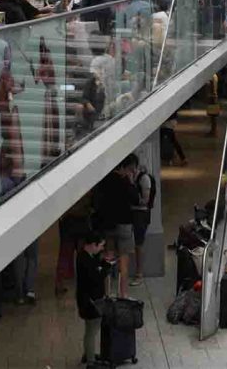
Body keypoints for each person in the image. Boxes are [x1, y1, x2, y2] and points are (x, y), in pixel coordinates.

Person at [91, 153, 140, 298]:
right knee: (123, 263)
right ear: (125, 167)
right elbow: (136, 200)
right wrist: (131, 182)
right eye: (131, 169)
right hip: (124, 224)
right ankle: (123, 294)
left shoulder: (104, 180)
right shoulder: (126, 182)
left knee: (108, 258)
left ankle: (107, 293)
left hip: (107, 225)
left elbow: (96, 202)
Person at [76, 231, 113, 368]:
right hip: (91, 302)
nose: (102, 249)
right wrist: (106, 268)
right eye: (101, 246)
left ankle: (88, 354)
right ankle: (91, 362)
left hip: (85, 300)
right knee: (92, 332)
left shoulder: (84, 256)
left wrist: (102, 263)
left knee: (89, 329)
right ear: (92, 244)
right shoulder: (85, 261)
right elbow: (95, 278)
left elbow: (95, 265)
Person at [130, 164, 154, 286]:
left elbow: (146, 200)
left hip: (141, 214)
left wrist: (134, 199)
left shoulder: (143, 179)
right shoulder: (132, 178)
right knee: (136, 244)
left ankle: (139, 273)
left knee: (139, 244)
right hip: (133, 213)